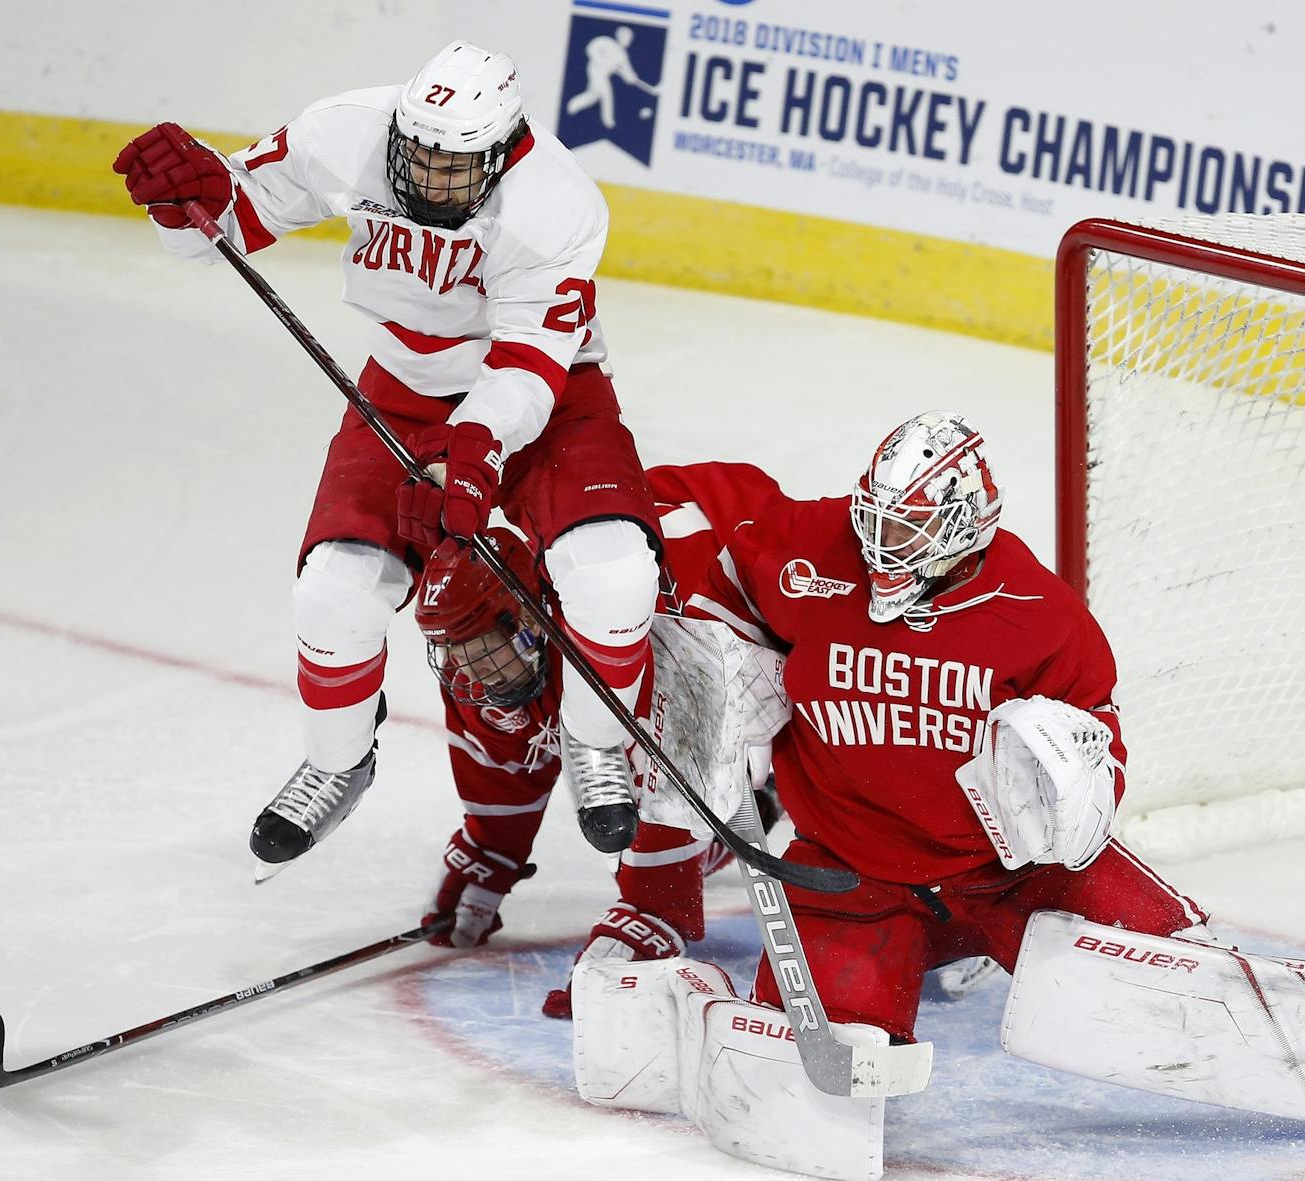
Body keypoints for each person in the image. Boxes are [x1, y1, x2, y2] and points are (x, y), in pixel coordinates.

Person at [569, 413, 1305, 1179]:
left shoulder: (1039, 615)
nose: (886, 546)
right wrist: (726, 650)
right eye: (880, 522)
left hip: (1010, 877)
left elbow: (1102, 746)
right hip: (850, 877)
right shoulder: (810, 552)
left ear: (966, 530)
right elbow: (727, 566)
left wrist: (1069, 789)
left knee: (1201, 981)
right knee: (802, 1103)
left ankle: (998, 946)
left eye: (913, 529)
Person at [111, 41, 664, 874]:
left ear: (503, 150)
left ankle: (596, 744)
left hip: (545, 392)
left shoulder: (556, 204)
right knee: (334, 588)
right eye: (420, 155)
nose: (429, 178)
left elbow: (527, 366)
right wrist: (189, 200)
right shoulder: (347, 132)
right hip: (402, 386)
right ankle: (338, 760)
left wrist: (478, 449)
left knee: (612, 569)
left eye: (455, 166)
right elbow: (227, 225)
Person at [411, 460, 790, 1017]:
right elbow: (507, 765)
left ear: (530, 619)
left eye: (480, 644)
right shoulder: (483, 668)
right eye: (452, 650)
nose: (468, 670)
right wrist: (491, 853)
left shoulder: (636, 634)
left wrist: (653, 907)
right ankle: (756, 802)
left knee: (821, 727)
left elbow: (678, 753)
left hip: (749, 553)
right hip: (643, 579)